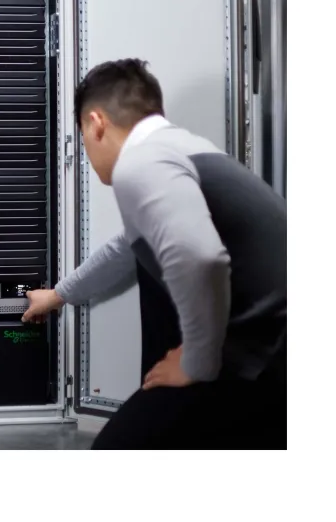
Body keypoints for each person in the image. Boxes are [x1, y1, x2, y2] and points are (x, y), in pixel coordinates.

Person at [23, 59, 286, 449]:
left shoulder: (140, 161)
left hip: (261, 353)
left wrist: (196, 362)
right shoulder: (185, 149)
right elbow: (127, 247)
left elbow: (199, 256)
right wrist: (59, 294)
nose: (85, 153)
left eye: (81, 138)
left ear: (96, 123)